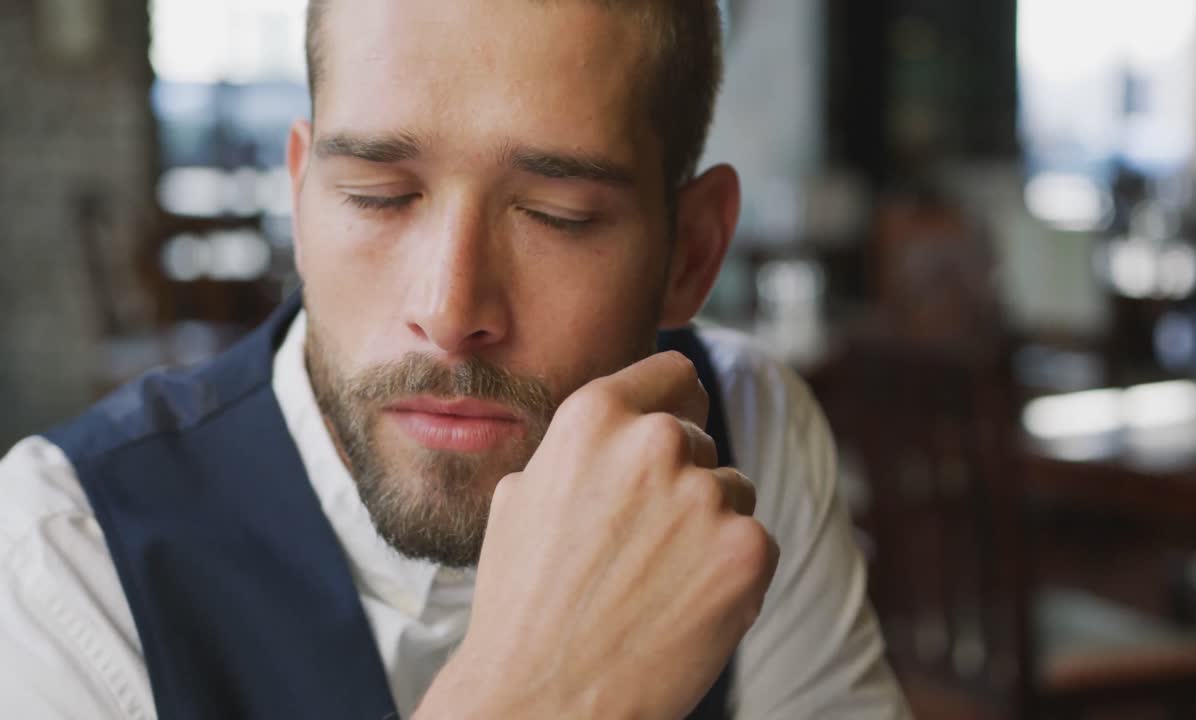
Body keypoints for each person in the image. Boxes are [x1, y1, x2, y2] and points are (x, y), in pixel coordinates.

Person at [0, 1, 910, 718]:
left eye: (560, 216)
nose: (448, 310)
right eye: (379, 198)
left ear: (692, 253)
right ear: (302, 201)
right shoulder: (61, 555)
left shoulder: (751, 429)